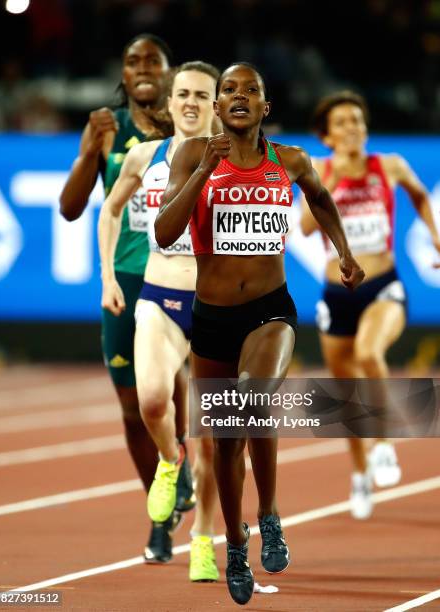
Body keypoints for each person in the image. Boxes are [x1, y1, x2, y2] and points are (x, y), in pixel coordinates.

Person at [155, 62, 364, 605]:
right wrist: (203, 171)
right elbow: (164, 230)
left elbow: (319, 197)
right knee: (226, 442)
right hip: (211, 318)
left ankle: (269, 514)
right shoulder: (190, 155)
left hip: (271, 311)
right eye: (229, 90)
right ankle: (238, 544)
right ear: (219, 107)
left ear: (265, 108)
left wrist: (342, 252)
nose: (239, 95)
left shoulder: (289, 161)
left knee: (254, 397)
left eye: (251, 90)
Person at [59, 34, 194, 563]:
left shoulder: (186, 125)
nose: (141, 68)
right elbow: (72, 209)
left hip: (180, 277)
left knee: (175, 385)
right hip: (124, 280)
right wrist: (91, 150)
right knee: (132, 408)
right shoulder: (107, 127)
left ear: (169, 71)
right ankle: (159, 511)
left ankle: (188, 478)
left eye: (152, 61)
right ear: (123, 71)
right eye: (132, 61)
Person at [98, 61, 221, 582]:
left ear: (217, 105)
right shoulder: (145, 155)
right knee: (152, 400)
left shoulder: (239, 162)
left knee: (217, 435)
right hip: (159, 295)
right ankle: (170, 460)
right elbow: (110, 210)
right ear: (169, 103)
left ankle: (202, 540)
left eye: (201, 95)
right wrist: (107, 275)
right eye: (183, 94)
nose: (190, 102)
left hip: (218, 307)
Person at [300, 91, 440, 519]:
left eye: (357, 121)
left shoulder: (390, 165)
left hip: (382, 284)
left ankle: (382, 446)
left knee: (369, 353)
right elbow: (305, 228)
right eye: (341, 123)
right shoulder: (319, 170)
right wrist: (334, 184)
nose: (352, 129)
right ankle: (360, 474)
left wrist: (434, 233)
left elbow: (418, 194)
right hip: (336, 295)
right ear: (327, 135)